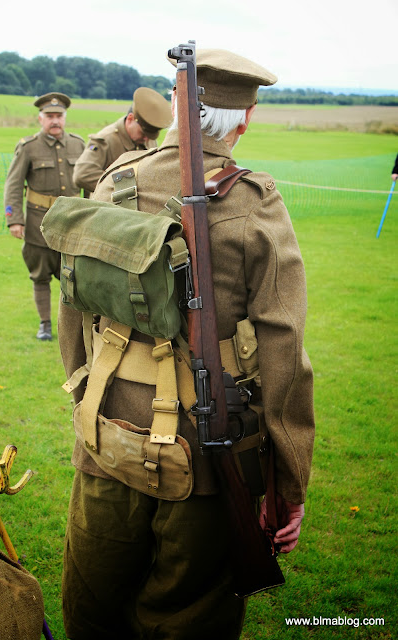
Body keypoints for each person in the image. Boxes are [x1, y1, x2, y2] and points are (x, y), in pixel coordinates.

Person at [58, 48, 315, 640]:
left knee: (95, 608)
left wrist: (85, 392)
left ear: (175, 105)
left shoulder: (116, 179)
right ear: (244, 119)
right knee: (190, 616)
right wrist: (289, 482)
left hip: (107, 430)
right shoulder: (255, 203)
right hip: (209, 449)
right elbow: (285, 348)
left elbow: (74, 301)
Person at [4, 92, 84, 341]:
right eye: (50, 116)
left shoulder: (78, 145)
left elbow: (89, 184)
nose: (55, 121)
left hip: (72, 225)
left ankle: (72, 327)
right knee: (39, 277)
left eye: (59, 115)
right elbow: (13, 185)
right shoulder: (28, 147)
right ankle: (45, 325)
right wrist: (14, 219)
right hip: (38, 225)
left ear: (65, 117)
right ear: (40, 119)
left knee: (74, 278)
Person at [72, 87, 172, 193]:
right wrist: (125, 186)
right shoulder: (105, 140)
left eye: (150, 136)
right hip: (108, 202)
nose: (146, 139)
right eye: (143, 133)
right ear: (130, 119)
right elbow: (82, 175)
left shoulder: (147, 139)